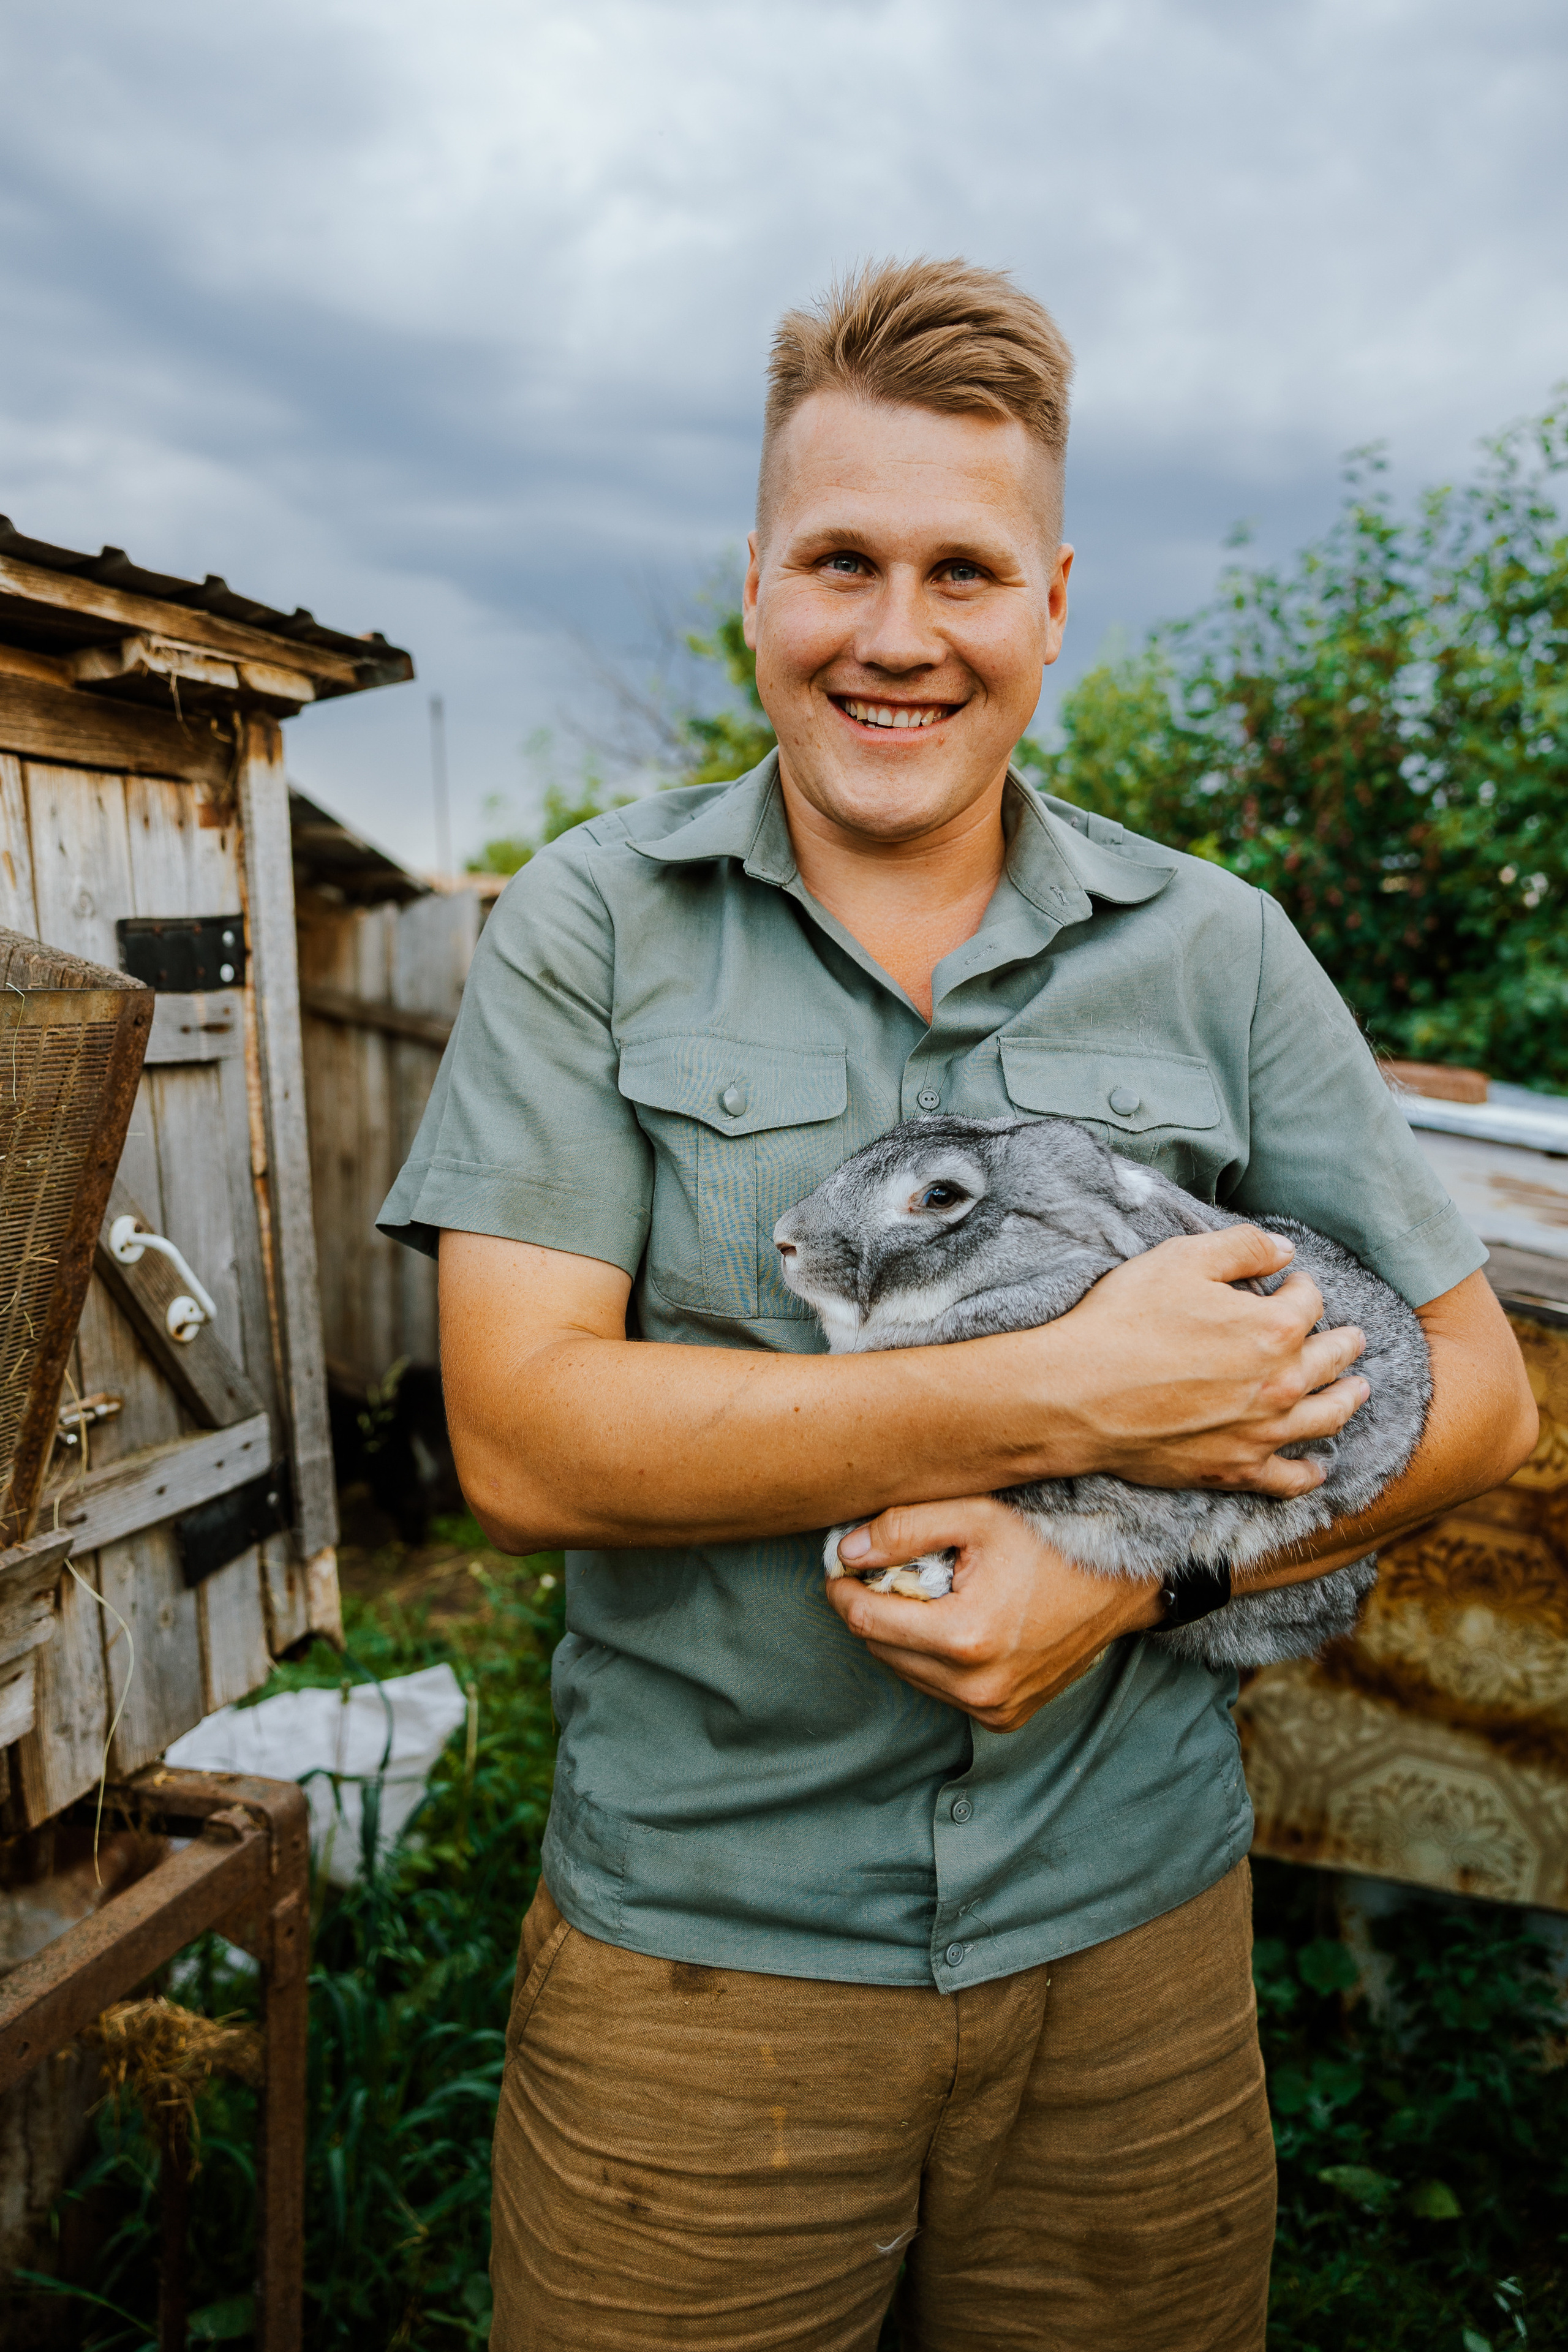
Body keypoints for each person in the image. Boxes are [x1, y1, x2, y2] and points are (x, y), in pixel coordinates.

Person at [379, 257, 1537, 2352]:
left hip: (1137, 1965)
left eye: (964, 571)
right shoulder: (593, 929)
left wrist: (1127, 1591)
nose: (897, 636)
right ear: (756, 581)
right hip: (702, 1985)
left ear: (1054, 601)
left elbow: (1474, 1403)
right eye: (841, 560)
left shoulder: (1218, 950)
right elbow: (526, 1441)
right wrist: (1071, 1393)